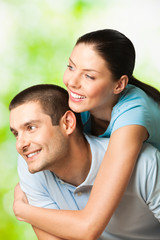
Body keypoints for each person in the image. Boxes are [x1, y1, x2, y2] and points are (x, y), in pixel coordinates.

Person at [10, 84, 160, 240]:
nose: (20, 145)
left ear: (68, 123)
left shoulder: (144, 162)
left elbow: (87, 229)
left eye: (31, 127)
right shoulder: (32, 168)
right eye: (16, 133)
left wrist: (22, 210)